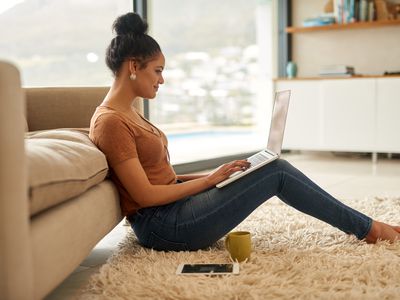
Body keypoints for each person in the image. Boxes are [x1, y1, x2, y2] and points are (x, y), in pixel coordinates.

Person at [89, 12, 400, 252]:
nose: (162, 80)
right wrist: (210, 181)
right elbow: (144, 195)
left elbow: (163, 179)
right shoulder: (111, 121)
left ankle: (364, 225)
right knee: (275, 171)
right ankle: (368, 229)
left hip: (174, 211)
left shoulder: (129, 112)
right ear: (133, 66)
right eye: (157, 70)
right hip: (165, 227)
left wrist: (218, 175)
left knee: (262, 166)